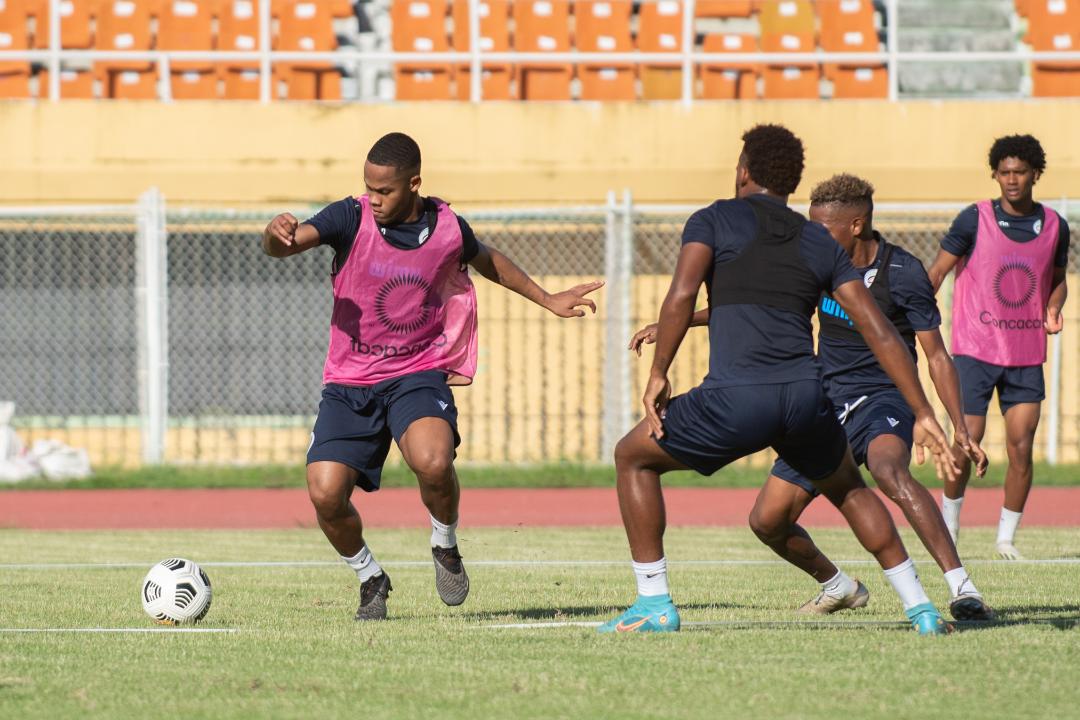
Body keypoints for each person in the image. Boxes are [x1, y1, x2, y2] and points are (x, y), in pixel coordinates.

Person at [600, 124, 971, 636]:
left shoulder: (712, 220)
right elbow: (880, 330)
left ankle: (653, 603)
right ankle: (921, 609)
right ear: (792, 181)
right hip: (807, 400)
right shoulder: (816, 239)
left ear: (743, 171)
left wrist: (659, 371)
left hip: (737, 397)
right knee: (849, 488)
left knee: (632, 457)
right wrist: (924, 412)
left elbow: (682, 296)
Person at [262, 132, 602, 620]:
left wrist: (548, 298)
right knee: (325, 493)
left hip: (416, 372)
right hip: (350, 382)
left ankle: (444, 543)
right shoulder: (349, 216)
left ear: (414, 184)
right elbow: (287, 245)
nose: (374, 199)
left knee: (434, 461)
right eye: (369, 188)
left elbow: (488, 260)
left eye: (385, 191)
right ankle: (371, 578)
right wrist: (274, 234)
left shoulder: (447, 228)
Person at [927, 134, 1069, 560]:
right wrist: (913, 316)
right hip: (974, 350)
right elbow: (936, 273)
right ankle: (950, 529)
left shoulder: (1055, 226)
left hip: (1025, 355)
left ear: (1035, 174)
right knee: (966, 441)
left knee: (1021, 446)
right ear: (994, 174)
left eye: (1020, 172)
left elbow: (1057, 280)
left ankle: (1006, 539)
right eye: (1004, 172)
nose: (1012, 179)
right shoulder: (974, 219)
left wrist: (1054, 306)